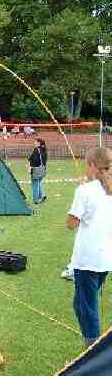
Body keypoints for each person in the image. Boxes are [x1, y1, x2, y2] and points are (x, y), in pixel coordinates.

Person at [67, 147, 112, 347]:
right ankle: (93, 347)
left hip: (88, 260)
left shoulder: (85, 190)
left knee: (87, 308)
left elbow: (71, 223)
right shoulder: (99, 189)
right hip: (104, 260)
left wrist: (82, 193)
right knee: (81, 304)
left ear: (93, 165)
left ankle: (92, 354)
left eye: (87, 164)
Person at [29, 138, 48, 204]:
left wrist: (31, 166)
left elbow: (34, 160)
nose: (34, 143)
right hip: (43, 170)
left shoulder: (36, 150)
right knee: (38, 183)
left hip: (36, 170)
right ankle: (42, 196)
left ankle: (36, 200)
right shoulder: (44, 150)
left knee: (35, 184)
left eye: (35, 142)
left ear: (39, 143)